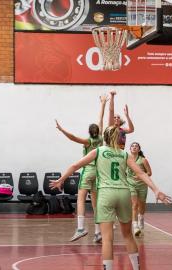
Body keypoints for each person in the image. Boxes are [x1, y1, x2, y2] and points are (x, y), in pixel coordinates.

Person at [50, 126, 171, 270]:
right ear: (119, 138)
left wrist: (61, 179)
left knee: (107, 239)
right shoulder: (125, 154)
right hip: (124, 193)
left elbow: (75, 165)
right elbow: (141, 174)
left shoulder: (99, 151)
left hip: (106, 194)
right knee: (128, 236)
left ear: (104, 138)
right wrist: (156, 190)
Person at [55, 94, 108, 243]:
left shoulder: (87, 141)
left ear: (89, 132)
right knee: (96, 203)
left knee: (80, 198)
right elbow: (101, 119)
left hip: (88, 171)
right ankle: (98, 233)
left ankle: (80, 228)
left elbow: (72, 137)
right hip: (99, 173)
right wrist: (103, 103)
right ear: (98, 131)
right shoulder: (101, 139)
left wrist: (61, 130)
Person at [127, 142, 152, 236]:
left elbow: (149, 173)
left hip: (142, 185)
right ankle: (135, 226)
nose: (134, 147)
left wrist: (141, 176)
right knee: (134, 204)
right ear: (130, 149)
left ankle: (141, 217)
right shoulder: (127, 159)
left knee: (142, 205)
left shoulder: (143, 160)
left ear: (139, 149)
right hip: (131, 184)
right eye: (132, 146)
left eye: (136, 146)